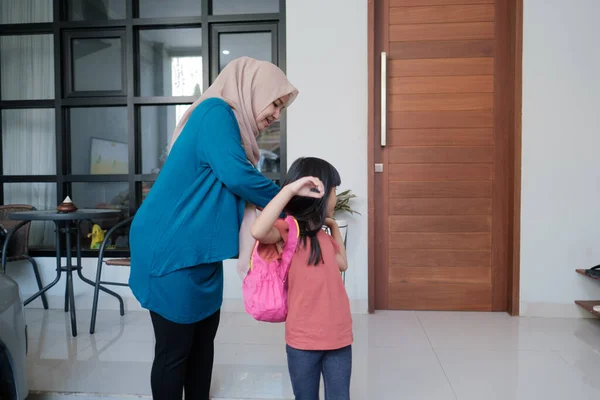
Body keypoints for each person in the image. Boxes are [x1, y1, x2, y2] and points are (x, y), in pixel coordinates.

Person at [128, 57, 298, 400]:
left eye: (282, 107)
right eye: (275, 103)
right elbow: (237, 176)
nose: (277, 115)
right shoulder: (216, 113)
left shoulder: (234, 130)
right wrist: (294, 202)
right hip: (169, 250)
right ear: (253, 90)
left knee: (203, 347)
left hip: (200, 252)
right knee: (174, 351)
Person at [250, 157, 353, 400]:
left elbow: (343, 264)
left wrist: (334, 228)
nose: (336, 197)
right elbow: (258, 231)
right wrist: (289, 190)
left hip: (339, 336)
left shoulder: (325, 239)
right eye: (334, 191)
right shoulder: (286, 233)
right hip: (302, 340)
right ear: (318, 195)